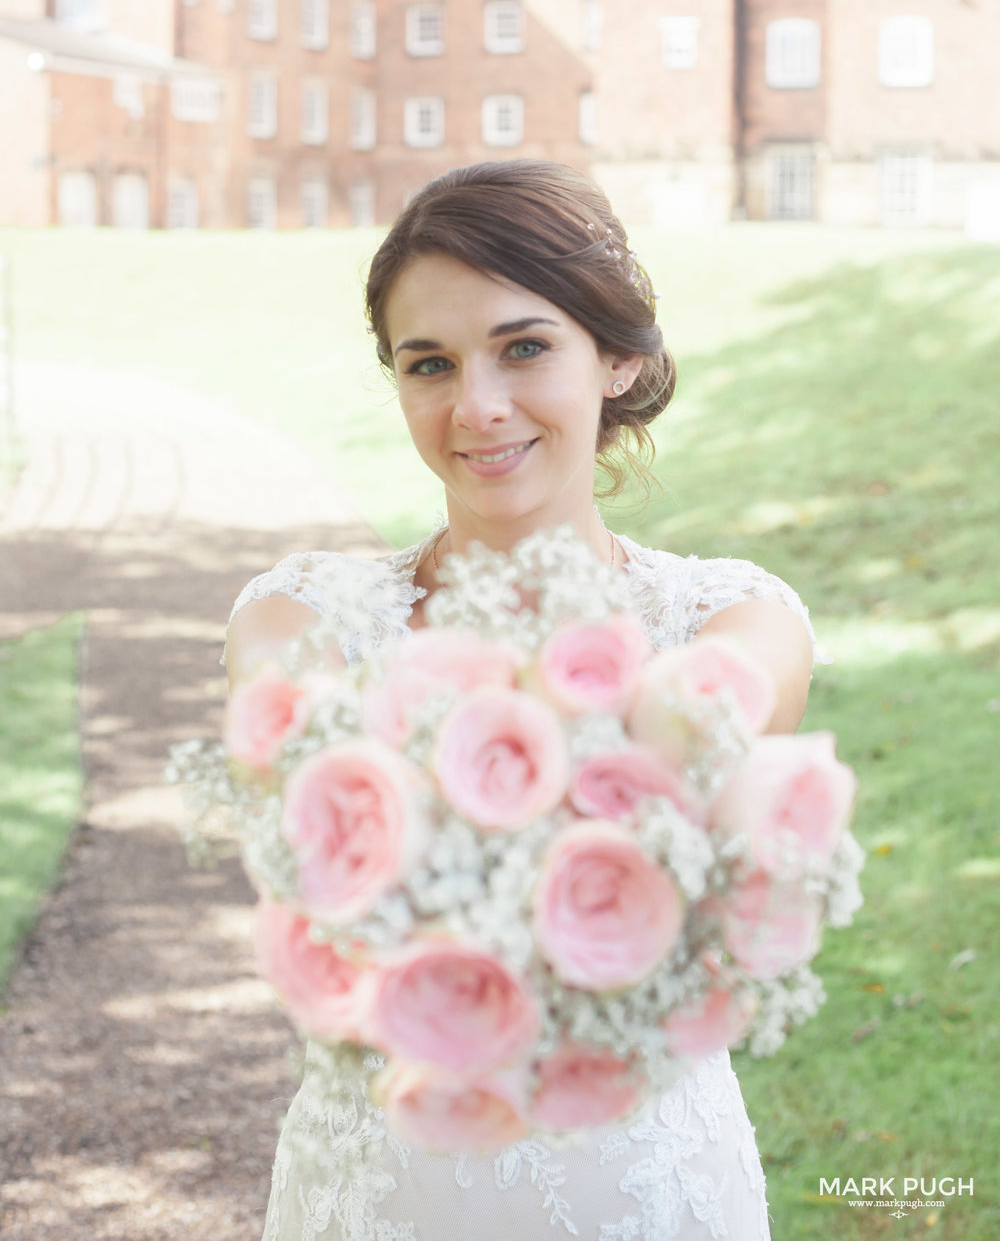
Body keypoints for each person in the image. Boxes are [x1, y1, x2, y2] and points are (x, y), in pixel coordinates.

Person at [226, 159, 814, 1241]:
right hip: (378, 1192)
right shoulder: (299, 617)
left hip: (648, 1189)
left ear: (620, 356)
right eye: (429, 363)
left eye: (525, 346)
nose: (477, 406)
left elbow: (706, 719)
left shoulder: (732, 617)